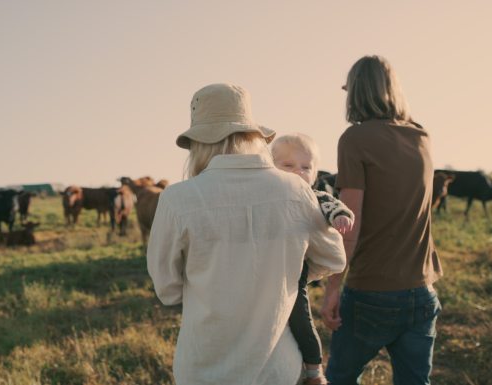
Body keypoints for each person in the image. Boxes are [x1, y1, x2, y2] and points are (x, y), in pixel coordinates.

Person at [146, 83, 347, 385]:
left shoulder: (176, 199)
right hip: (277, 367)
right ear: (253, 135)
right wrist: (281, 275)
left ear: (198, 142)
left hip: (203, 368)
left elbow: (168, 289)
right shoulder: (297, 190)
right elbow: (333, 259)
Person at [321, 56, 443, 385]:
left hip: (370, 292)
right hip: (422, 291)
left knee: (340, 378)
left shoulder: (355, 140)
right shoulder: (422, 138)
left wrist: (333, 287)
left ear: (354, 93)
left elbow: (349, 223)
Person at [271, 133, 354, 385]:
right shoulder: (267, 195)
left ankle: (314, 369)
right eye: (288, 166)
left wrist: (341, 217)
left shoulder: (314, 196)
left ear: (315, 173)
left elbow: (336, 206)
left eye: (306, 167)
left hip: (296, 272)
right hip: (266, 270)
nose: (298, 172)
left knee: (301, 319)